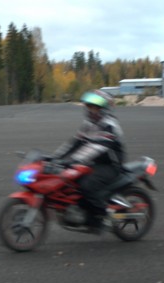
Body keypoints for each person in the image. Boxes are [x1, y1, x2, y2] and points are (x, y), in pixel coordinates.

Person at [52, 90, 126, 232]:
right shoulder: (89, 124)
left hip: (111, 165)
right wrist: (55, 157)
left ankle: (103, 215)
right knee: (71, 182)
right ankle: (85, 214)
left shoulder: (109, 125)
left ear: (103, 109)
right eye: (89, 107)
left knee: (86, 186)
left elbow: (96, 148)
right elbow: (75, 143)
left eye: (94, 107)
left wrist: (74, 160)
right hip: (94, 163)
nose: (91, 110)